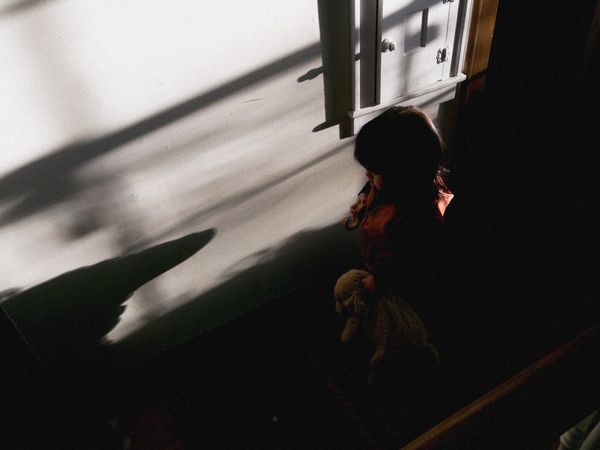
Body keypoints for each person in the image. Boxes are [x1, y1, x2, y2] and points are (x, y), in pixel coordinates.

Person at [349, 106, 453, 326]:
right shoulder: (393, 185)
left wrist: (377, 282)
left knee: (397, 319)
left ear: (402, 174)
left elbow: (407, 266)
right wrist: (362, 199)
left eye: (374, 172)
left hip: (401, 285)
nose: (368, 175)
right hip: (379, 258)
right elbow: (372, 187)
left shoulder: (417, 220)